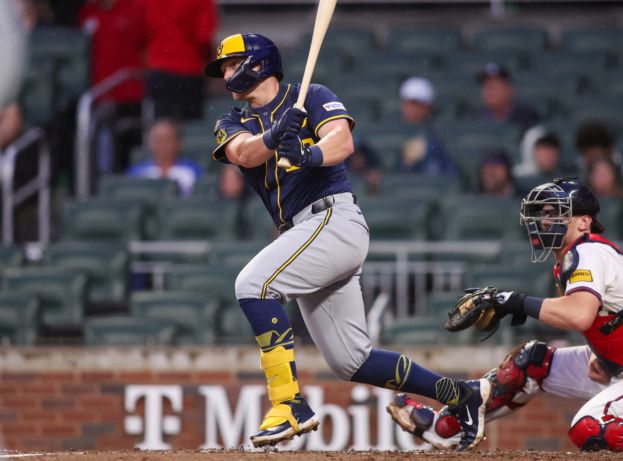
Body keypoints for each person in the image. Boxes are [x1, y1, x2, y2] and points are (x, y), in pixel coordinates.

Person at [205, 33, 490, 451]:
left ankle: (288, 404)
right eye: (225, 68)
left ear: (259, 63)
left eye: (233, 64)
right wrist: (276, 135)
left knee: (252, 285)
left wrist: (307, 154)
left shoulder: (310, 95)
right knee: (351, 361)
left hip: (332, 219)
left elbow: (342, 141)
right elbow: (244, 154)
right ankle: (461, 394)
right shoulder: (232, 121)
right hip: (302, 234)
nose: (227, 74)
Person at [388, 179, 623, 452]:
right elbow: (607, 318)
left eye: (556, 213)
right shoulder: (579, 255)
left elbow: (580, 316)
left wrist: (513, 300)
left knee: (590, 429)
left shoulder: (588, 252)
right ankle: (446, 427)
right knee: (530, 363)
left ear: (584, 221)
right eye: (543, 213)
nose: (545, 220)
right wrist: (603, 354)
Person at [137, 0, 216, 121]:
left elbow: (139, 34)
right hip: (190, 70)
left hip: (159, 69)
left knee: (162, 125)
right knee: (190, 129)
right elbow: (204, 37)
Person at [78, 0, 144, 171]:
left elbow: (144, 46)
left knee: (129, 147)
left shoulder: (132, 6)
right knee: (102, 149)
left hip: (129, 93)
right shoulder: (88, 11)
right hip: (100, 93)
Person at [126, 119, 202, 197]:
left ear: (178, 143)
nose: (162, 145)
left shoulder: (192, 170)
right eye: (158, 139)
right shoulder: (136, 172)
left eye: (166, 140)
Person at [397, 77, 457, 176]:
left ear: (428, 106)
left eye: (417, 104)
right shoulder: (396, 131)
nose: (411, 109)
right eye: (408, 104)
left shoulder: (439, 131)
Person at [476, 63, 539, 130]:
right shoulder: (477, 120)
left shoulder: (528, 118)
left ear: (510, 89)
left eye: (496, 86)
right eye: (487, 87)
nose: (491, 92)